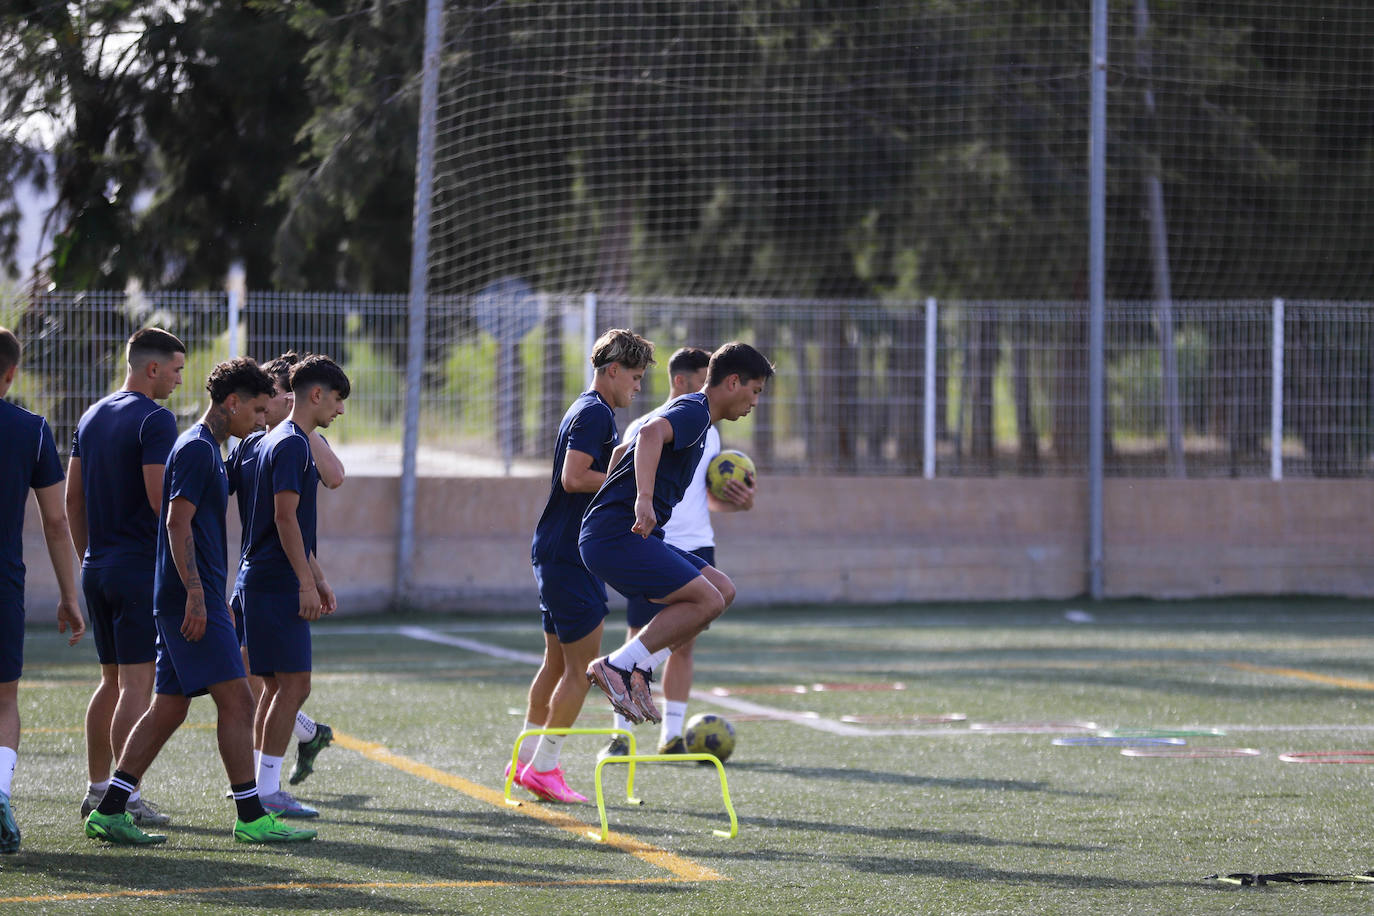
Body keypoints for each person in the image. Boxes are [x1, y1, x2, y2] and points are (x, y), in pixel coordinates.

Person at [83, 358, 316, 845]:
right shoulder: (194, 448)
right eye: (254, 409)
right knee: (239, 700)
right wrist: (194, 593)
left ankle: (109, 810)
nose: (259, 419)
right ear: (231, 403)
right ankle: (251, 816)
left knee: (169, 708)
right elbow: (175, 521)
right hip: (192, 599)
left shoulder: (211, 448)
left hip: (194, 596)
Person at [580, 342, 773, 724]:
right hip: (617, 536)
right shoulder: (695, 411)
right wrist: (643, 500)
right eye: (755, 391)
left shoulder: (702, 423)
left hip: (627, 534)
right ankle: (616, 665)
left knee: (723, 590)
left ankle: (638, 667)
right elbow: (649, 434)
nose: (754, 402)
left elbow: (622, 454)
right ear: (733, 382)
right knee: (708, 601)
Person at [511, 329, 655, 804]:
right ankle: (544, 768)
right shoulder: (596, 412)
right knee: (582, 670)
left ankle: (526, 759)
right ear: (612, 371)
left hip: (555, 549)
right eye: (634, 377)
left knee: (556, 662)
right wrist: (629, 486)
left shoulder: (586, 409)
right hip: (572, 555)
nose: (637, 387)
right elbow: (575, 478)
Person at [69, 327, 184, 827]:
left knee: (111, 682)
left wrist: (88, 556)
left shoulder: (92, 414)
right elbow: (163, 502)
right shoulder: (157, 419)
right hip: (137, 568)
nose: (181, 380)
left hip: (98, 566)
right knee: (139, 684)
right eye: (177, 369)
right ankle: (123, 798)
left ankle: (98, 789)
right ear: (152, 368)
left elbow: (72, 498)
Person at [237, 355, 348, 818]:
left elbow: (292, 520)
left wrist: (317, 577)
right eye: (338, 400)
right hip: (276, 582)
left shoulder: (277, 441)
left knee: (276, 686)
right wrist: (306, 582)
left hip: (264, 579)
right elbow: (285, 519)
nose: (340, 411)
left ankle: (261, 787)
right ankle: (265, 790)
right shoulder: (291, 444)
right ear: (316, 395)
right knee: (294, 685)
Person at [0, 328, 86, 854]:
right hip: (2, 584)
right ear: (11, 373)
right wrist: (69, 595)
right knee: (4, 699)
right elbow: (57, 522)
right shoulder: (30, 429)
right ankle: (0, 800)